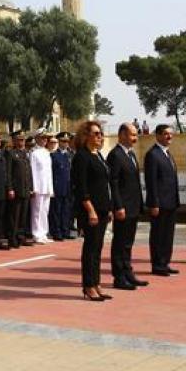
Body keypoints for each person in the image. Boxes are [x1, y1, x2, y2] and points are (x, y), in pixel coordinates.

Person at [72, 120, 112, 302]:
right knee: (90, 249)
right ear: (85, 136)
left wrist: (108, 208)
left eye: (100, 133)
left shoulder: (98, 156)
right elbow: (81, 187)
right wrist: (90, 210)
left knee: (98, 248)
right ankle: (88, 286)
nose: (100, 136)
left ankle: (96, 283)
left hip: (103, 209)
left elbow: (103, 185)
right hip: (91, 210)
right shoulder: (82, 156)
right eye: (96, 133)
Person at [107, 122, 146, 291]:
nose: (135, 138)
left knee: (128, 243)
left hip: (133, 206)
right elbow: (113, 183)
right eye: (132, 135)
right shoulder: (115, 155)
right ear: (122, 135)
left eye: (136, 135)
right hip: (123, 207)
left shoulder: (130, 154)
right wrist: (118, 206)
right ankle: (119, 276)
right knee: (120, 242)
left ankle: (128, 271)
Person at [143, 124, 179, 276]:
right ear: (157, 135)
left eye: (171, 134)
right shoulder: (153, 154)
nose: (169, 137)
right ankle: (157, 265)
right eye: (165, 134)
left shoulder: (167, 153)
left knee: (168, 235)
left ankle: (165, 262)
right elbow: (151, 182)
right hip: (160, 203)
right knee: (158, 234)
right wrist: (154, 203)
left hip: (171, 202)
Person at [5, 130, 33, 246]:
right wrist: (10, 188)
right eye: (19, 140)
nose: (22, 142)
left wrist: (31, 187)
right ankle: (12, 238)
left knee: (23, 215)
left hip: (25, 188)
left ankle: (20, 236)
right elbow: (8, 173)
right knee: (14, 215)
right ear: (14, 141)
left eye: (23, 140)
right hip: (16, 189)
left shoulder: (25, 153)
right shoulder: (11, 153)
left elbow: (28, 172)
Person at [28, 131, 54, 243]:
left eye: (46, 138)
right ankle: (36, 233)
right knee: (37, 211)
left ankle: (43, 233)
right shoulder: (34, 153)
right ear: (37, 138)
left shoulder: (46, 152)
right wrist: (33, 188)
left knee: (45, 210)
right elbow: (32, 171)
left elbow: (49, 172)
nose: (45, 140)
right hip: (38, 186)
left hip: (46, 186)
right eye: (42, 138)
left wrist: (51, 188)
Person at [50, 133, 74, 240]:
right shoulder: (54, 155)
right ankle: (57, 232)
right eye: (63, 141)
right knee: (57, 210)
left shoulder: (69, 155)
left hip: (68, 187)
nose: (66, 143)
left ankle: (65, 230)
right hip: (58, 186)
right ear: (59, 142)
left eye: (67, 141)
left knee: (66, 210)